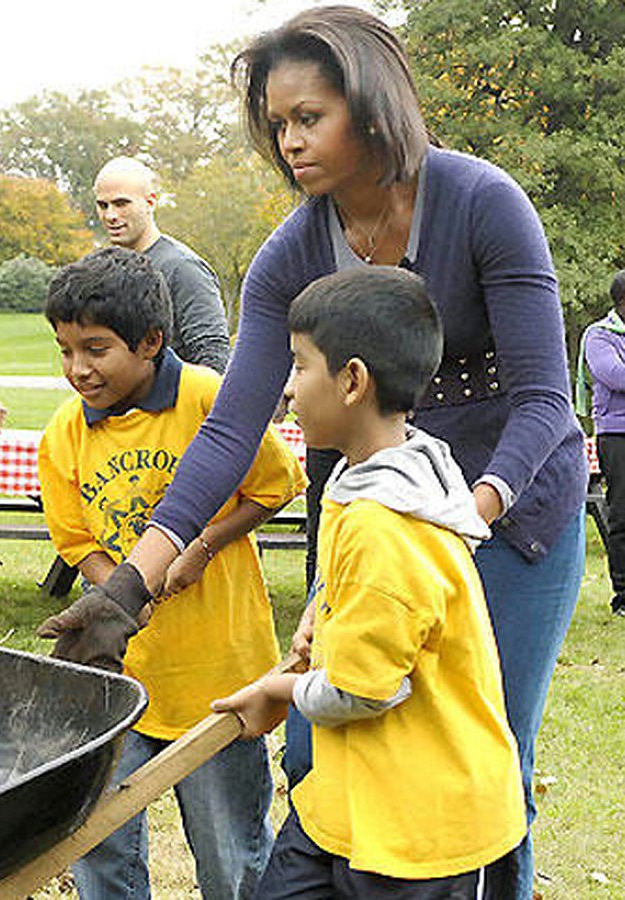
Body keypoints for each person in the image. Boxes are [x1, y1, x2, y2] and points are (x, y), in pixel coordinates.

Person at [42, 8, 587, 898]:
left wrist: (459, 519)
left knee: (484, 757)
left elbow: (542, 402)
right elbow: (229, 430)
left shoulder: (482, 202)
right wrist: (129, 585)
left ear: (373, 110)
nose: (289, 141)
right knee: (318, 739)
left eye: (309, 117)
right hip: (366, 524)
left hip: (509, 517)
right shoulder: (293, 251)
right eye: (277, 123)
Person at [216, 266, 524, 897]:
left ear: (352, 380)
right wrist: (320, 613)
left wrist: (282, 691)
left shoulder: (387, 524)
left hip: (422, 833)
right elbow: (355, 590)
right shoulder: (375, 477)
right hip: (348, 802)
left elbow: (366, 691)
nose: (290, 389)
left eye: (301, 367)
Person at [36, 247, 306, 900]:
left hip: (218, 677)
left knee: (229, 853)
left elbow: (276, 485)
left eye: (96, 349)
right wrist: (120, 591)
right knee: (99, 843)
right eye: (66, 349)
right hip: (120, 679)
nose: (78, 368)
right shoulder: (63, 435)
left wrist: (206, 544)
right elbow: (76, 539)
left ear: (152, 340)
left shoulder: (212, 399)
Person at [94, 156, 231, 372]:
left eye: (121, 203)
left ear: (150, 202)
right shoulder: (101, 268)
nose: (110, 215)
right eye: (103, 205)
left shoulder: (183, 268)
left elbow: (212, 356)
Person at [577, 270, 625, 616]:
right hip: (617, 433)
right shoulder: (600, 335)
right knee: (622, 513)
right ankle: (623, 594)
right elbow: (614, 375)